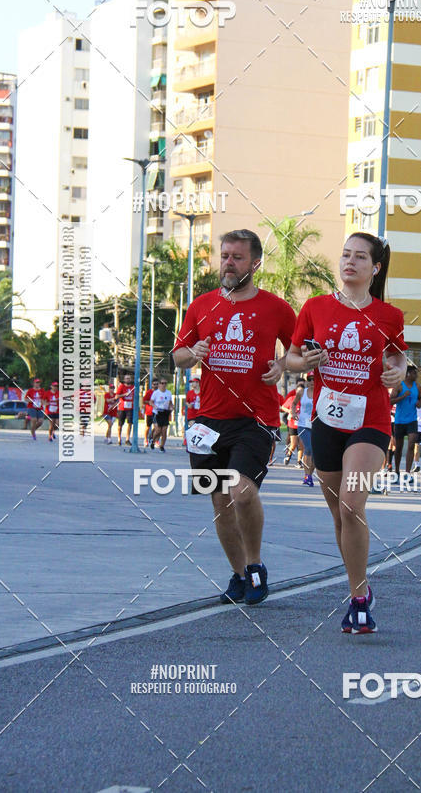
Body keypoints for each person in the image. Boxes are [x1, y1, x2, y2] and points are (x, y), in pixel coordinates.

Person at [287, 233, 407, 634]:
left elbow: (397, 358)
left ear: (375, 268)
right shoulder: (316, 307)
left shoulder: (389, 315)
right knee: (340, 514)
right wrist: (305, 359)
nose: (349, 262)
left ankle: (358, 601)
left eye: (359, 257)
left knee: (352, 505)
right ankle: (361, 586)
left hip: (369, 421)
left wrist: (399, 371)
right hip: (326, 423)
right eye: (345, 255)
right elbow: (290, 357)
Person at [173, 229, 296, 606]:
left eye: (237, 257)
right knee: (220, 503)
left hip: (255, 418)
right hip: (208, 421)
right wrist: (193, 351)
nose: (228, 262)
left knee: (242, 491)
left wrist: (280, 365)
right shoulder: (201, 305)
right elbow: (177, 357)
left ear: (255, 263)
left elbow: (299, 352)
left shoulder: (276, 308)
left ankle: (255, 564)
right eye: (224, 255)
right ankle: (238, 574)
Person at [390, 365, 421, 475]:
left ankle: (407, 473)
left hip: (412, 420)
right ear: (408, 374)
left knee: (412, 444)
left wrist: (419, 403)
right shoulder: (399, 386)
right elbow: (391, 401)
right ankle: (397, 470)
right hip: (399, 421)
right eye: (414, 373)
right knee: (398, 447)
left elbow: (419, 399)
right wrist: (403, 396)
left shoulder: (417, 386)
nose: (416, 375)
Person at [291, 372, 315, 486]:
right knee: (309, 448)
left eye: (314, 379)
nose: (311, 381)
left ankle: (310, 474)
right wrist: (294, 412)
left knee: (315, 452)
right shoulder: (302, 392)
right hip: (303, 425)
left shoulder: (321, 392)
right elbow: (294, 403)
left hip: (316, 425)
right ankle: (307, 475)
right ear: (306, 381)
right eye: (309, 379)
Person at [281, 382, 305, 467]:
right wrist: (289, 411)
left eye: (302, 391)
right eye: (298, 391)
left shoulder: (306, 401)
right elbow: (283, 407)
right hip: (293, 424)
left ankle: (299, 461)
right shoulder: (291, 399)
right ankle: (288, 456)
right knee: (294, 444)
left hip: (303, 425)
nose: (300, 393)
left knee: (302, 444)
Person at [150, 378, 173, 452]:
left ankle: (162, 446)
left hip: (165, 412)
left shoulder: (168, 393)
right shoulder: (156, 393)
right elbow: (151, 402)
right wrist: (155, 406)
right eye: (162, 383)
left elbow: (170, 402)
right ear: (159, 384)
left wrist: (171, 407)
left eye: (165, 383)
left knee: (164, 430)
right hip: (157, 413)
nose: (164, 385)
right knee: (158, 430)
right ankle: (153, 441)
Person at [115, 373, 135, 446]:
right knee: (120, 424)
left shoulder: (133, 387)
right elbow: (116, 396)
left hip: (130, 408)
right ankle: (119, 438)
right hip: (122, 408)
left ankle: (127, 439)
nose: (128, 380)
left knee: (130, 423)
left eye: (129, 378)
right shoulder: (121, 386)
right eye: (126, 378)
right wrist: (124, 394)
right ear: (124, 380)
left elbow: (135, 396)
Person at [143, 380, 156, 446]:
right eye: (154, 384)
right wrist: (150, 403)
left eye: (157, 384)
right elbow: (144, 401)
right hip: (149, 412)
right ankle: (145, 439)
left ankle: (154, 439)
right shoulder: (149, 392)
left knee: (157, 427)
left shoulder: (159, 392)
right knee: (148, 427)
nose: (155, 386)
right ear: (152, 385)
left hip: (157, 412)